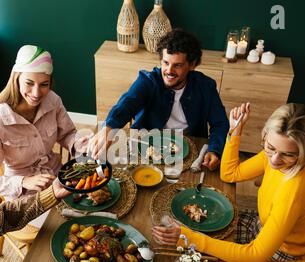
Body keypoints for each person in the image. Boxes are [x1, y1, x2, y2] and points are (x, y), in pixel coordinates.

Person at [152, 103, 305, 262]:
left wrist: (190, 238)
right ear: (265, 135)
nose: (274, 160)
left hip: (281, 259)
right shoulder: (278, 155)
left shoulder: (295, 189)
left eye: (288, 155)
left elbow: (255, 257)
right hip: (261, 227)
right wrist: (235, 131)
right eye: (270, 147)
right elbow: (230, 174)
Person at [90, 28, 229, 170]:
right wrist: (108, 128)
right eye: (165, 63)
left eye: (177, 65)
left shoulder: (205, 86)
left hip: (190, 150)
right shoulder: (148, 81)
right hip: (146, 145)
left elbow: (220, 123)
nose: (169, 71)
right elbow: (127, 104)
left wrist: (214, 149)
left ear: (192, 65)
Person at [0, 45, 88, 200]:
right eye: (29, 83)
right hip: (24, 198)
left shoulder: (53, 101)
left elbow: (67, 134)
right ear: (16, 78)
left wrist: (82, 145)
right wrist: (24, 181)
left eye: (44, 85)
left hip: (60, 178)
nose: (36, 93)